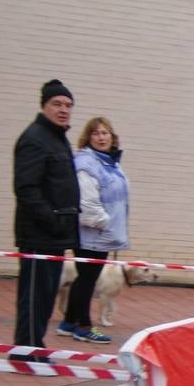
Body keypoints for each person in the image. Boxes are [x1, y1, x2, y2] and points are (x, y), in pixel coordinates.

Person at [12, 79, 79, 356]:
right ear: (44, 106)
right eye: (57, 104)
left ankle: (35, 344)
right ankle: (25, 349)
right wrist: (51, 220)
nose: (63, 110)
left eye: (68, 105)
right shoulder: (35, 139)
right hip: (39, 235)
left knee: (46, 297)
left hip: (55, 236)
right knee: (34, 297)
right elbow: (26, 188)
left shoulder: (57, 138)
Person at [60, 116, 129, 343]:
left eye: (105, 133)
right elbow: (87, 203)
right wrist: (105, 223)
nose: (101, 137)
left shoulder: (108, 162)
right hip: (92, 234)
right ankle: (83, 327)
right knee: (87, 280)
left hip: (103, 235)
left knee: (85, 278)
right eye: (96, 133)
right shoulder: (87, 163)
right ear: (88, 138)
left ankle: (68, 322)